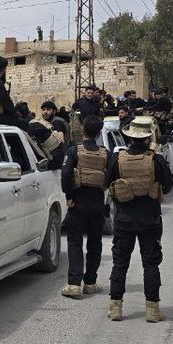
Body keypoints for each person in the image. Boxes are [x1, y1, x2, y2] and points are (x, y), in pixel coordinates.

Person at [104, 115, 173, 322]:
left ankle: (115, 308)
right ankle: (152, 310)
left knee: (120, 263)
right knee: (150, 264)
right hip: (150, 220)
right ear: (148, 136)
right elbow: (168, 187)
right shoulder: (156, 159)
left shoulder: (118, 159)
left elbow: (108, 182)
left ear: (130, 136)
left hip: (124, 219)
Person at [60, 115, 108, 299]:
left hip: (78, 201)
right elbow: (109, 175)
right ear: (99, 133)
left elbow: (65, 174)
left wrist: (69, 196)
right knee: (95, 243)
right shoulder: (104, 153)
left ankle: (74, 284)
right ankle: (90, 283)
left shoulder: (73, 151)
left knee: (75, 242)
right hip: (97, 202)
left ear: (82, 130)